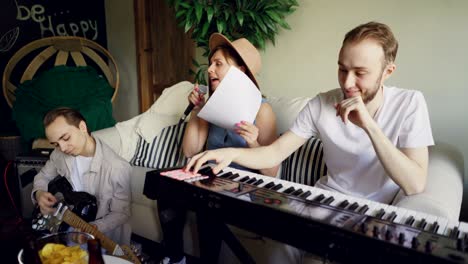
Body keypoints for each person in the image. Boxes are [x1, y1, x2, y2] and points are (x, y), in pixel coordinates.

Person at [186, 22, 434, 263]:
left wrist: (369, 125)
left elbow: (414, 184)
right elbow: (274, 154)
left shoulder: (410, 103)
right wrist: (231, 153)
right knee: (277, 245)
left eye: (360, 73)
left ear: (387, 71)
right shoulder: (320, 104)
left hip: (376, 213)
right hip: (324, 201)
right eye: (342, 69)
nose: (347, 83)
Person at [158, 33, 279, 264]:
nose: (210, 70)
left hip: (245, 187)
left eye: (218, 64)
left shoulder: (263, 111)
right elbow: (190, 151)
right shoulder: (211, 106)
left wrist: (254, 141)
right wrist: (197, 110)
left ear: (240, 71)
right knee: (166, 187)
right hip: (212, 180)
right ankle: (175, 258)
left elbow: (272, 172)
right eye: (210, 64)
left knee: (208, 203)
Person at [31, 107, 132, 245]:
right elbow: (43, 176)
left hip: (103, 239)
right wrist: (39, 193)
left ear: (82, 127)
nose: (63, 148)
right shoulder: (59, 154)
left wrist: (94, 228)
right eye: (56, 144)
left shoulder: (118, 168)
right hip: (66, 228)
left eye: (65, 138)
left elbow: (121, 213)